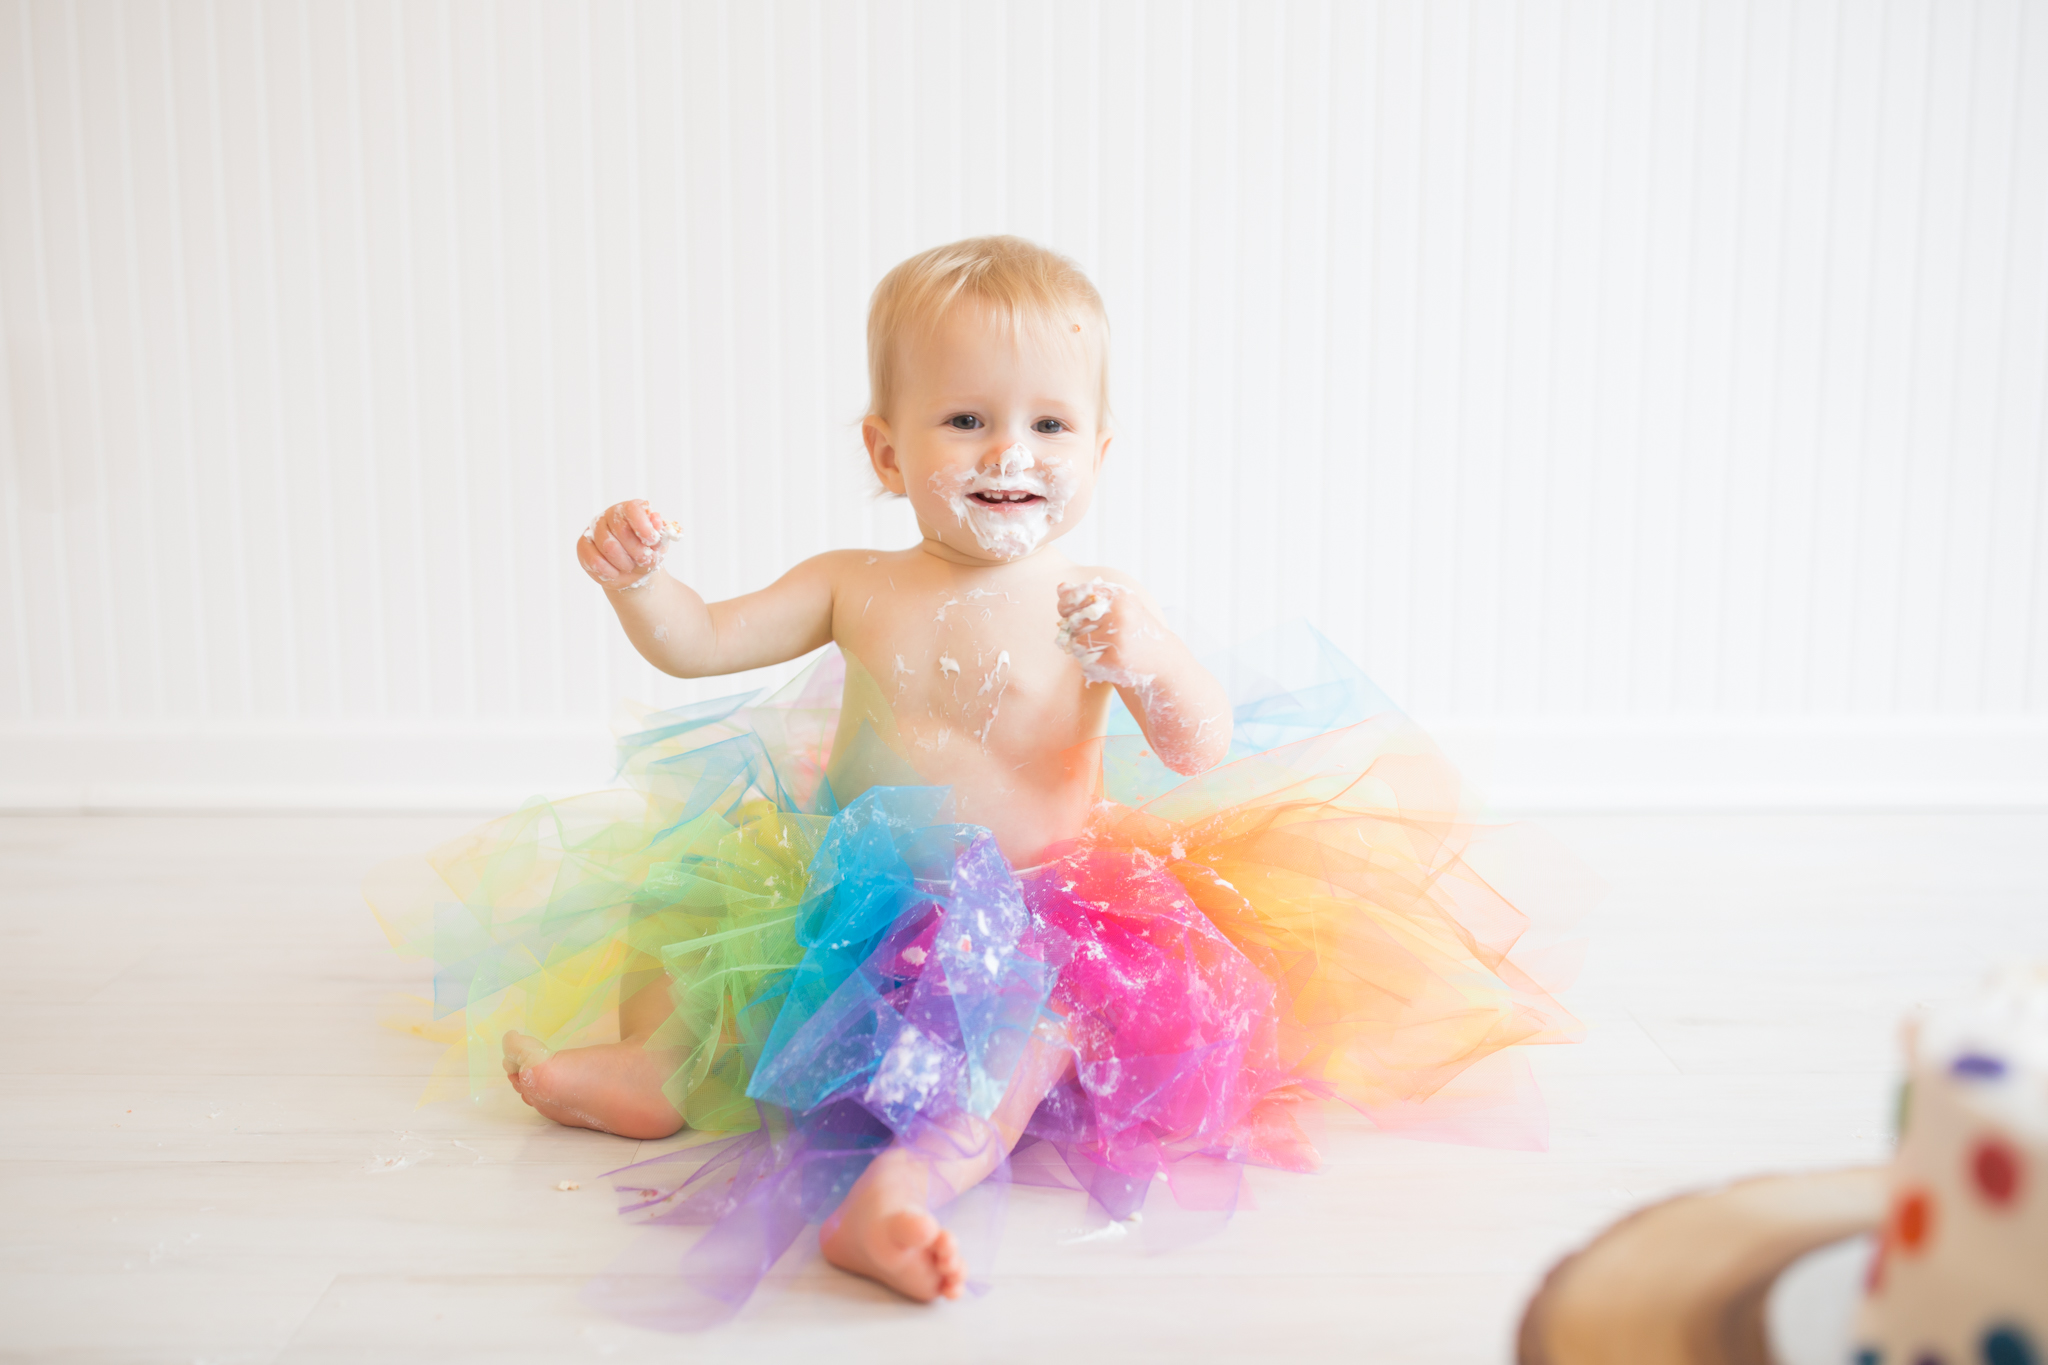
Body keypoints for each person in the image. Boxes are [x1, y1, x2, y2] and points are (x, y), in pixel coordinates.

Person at [370, 235, 1577, 1321]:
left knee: (1020, 1037)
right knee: (692, 898)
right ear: (885, 452)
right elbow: (700, 642)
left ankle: (903, 1189)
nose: (1011, 452)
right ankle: (652, 1064)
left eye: (1050, 426)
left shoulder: (1093, 604)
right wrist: (639, 586)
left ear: (1098, 452)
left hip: (1036, 898)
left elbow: (1196, 742)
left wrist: (1146, 660)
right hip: (843, 881)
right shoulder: (852, 579)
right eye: (965, 423)